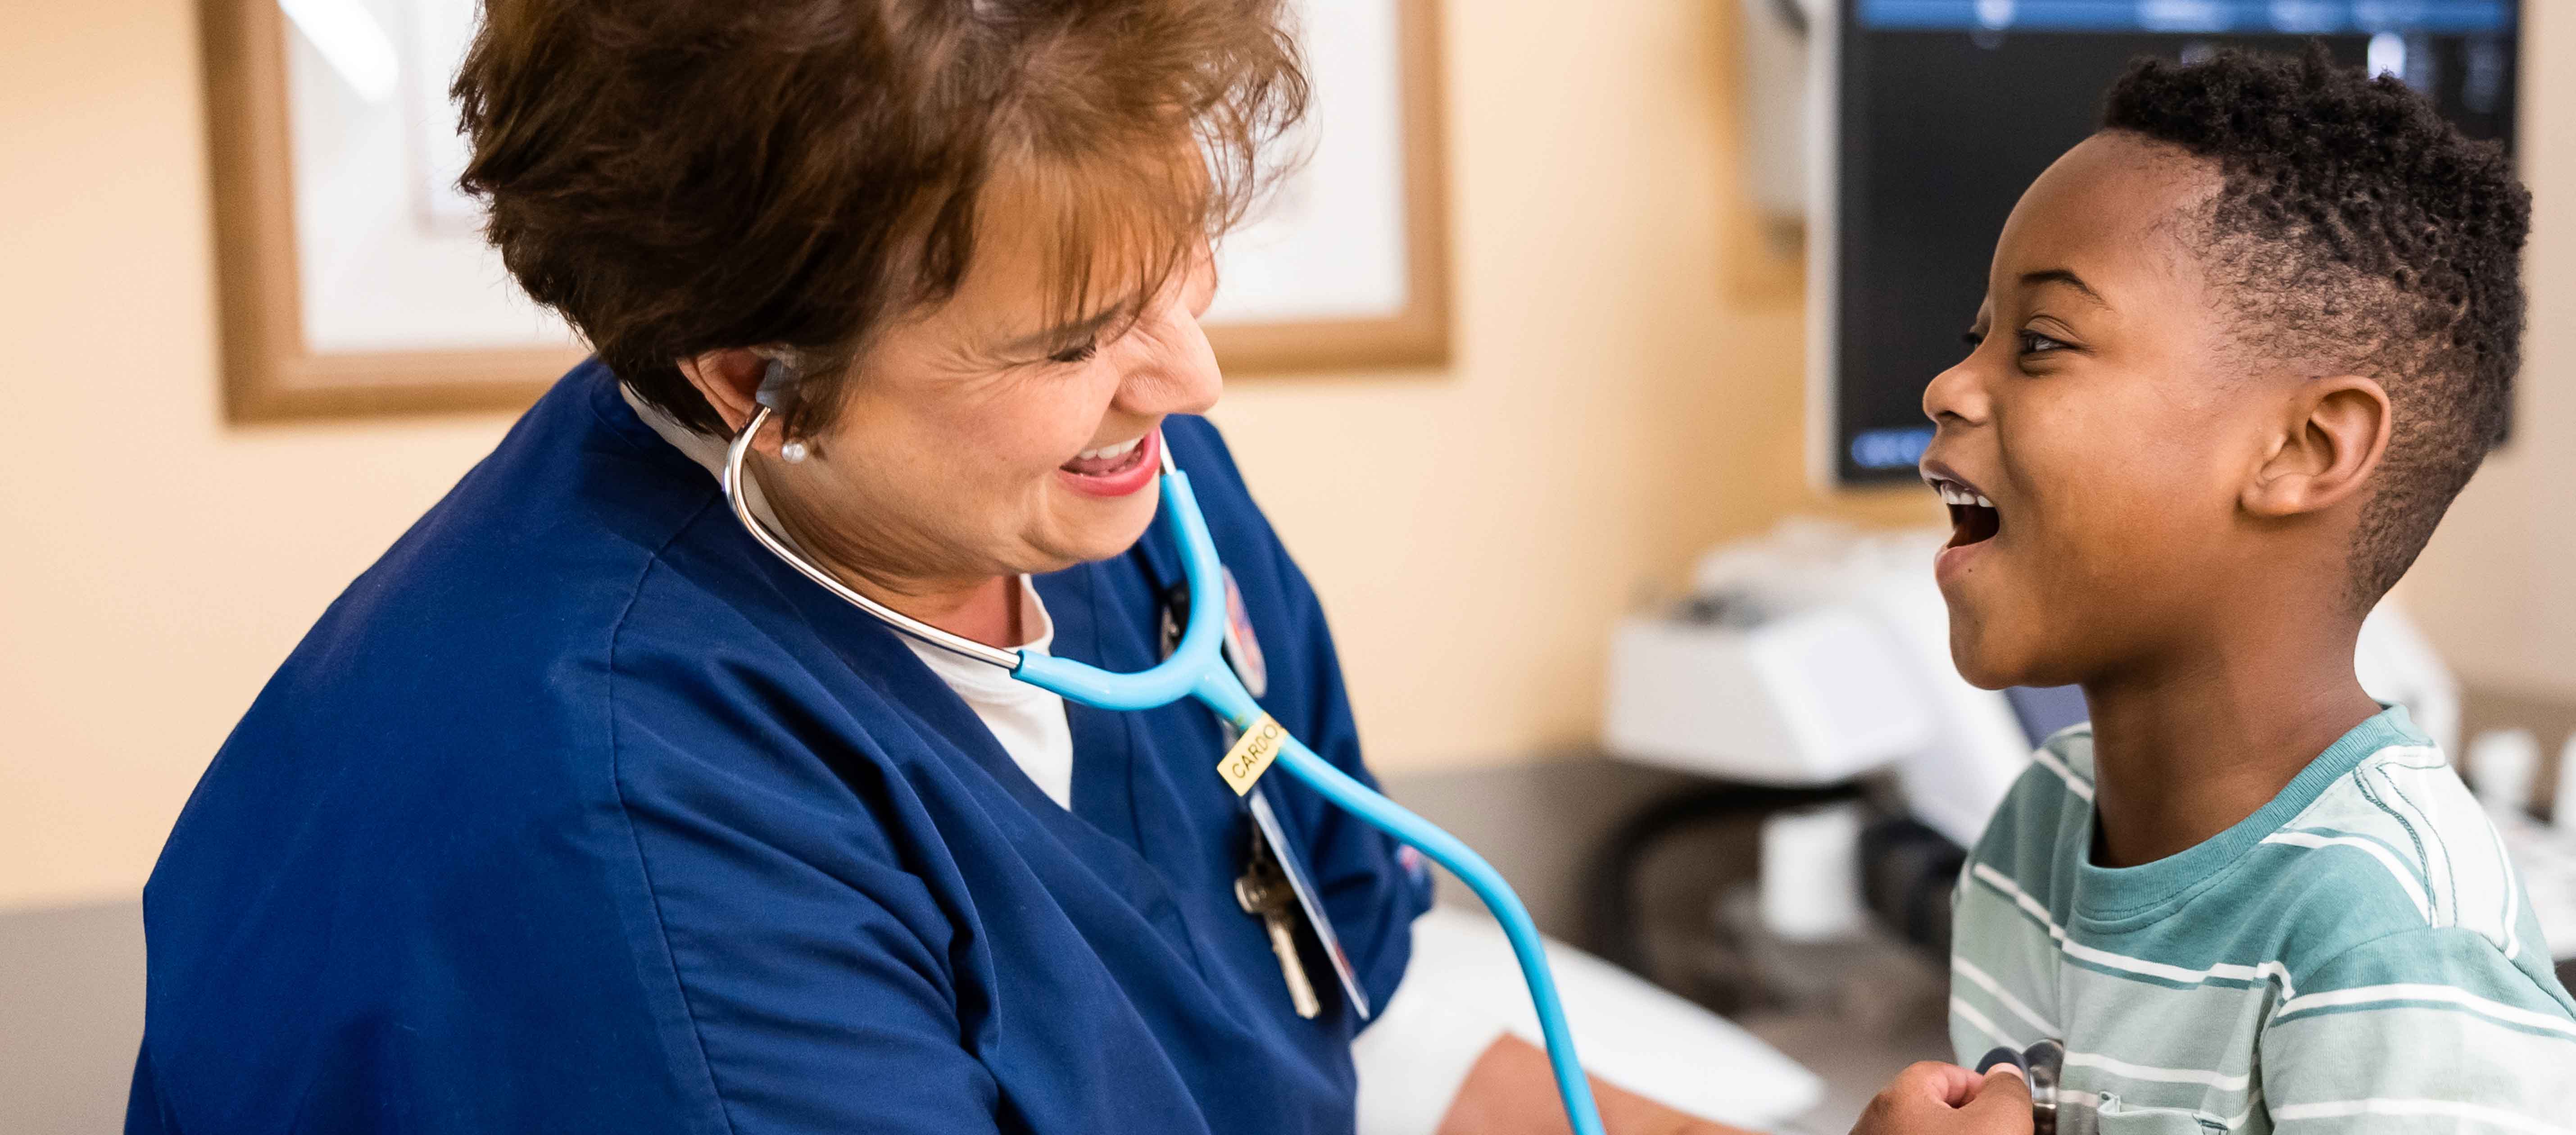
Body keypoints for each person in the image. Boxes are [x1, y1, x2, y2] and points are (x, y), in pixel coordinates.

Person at [124, 2, 1740, 1132]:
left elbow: (1314, 1030)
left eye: (1179, 269)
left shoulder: (1120, 510)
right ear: (752, 379)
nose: (1189, 381)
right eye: (1073, 340)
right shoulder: (617, 848)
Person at [1856, 47, 2573, 1135]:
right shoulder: (2038, 830)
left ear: (2303, 448)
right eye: (1977, 339)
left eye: (2040, 344)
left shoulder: (2391, 942)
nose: (1948, 385)